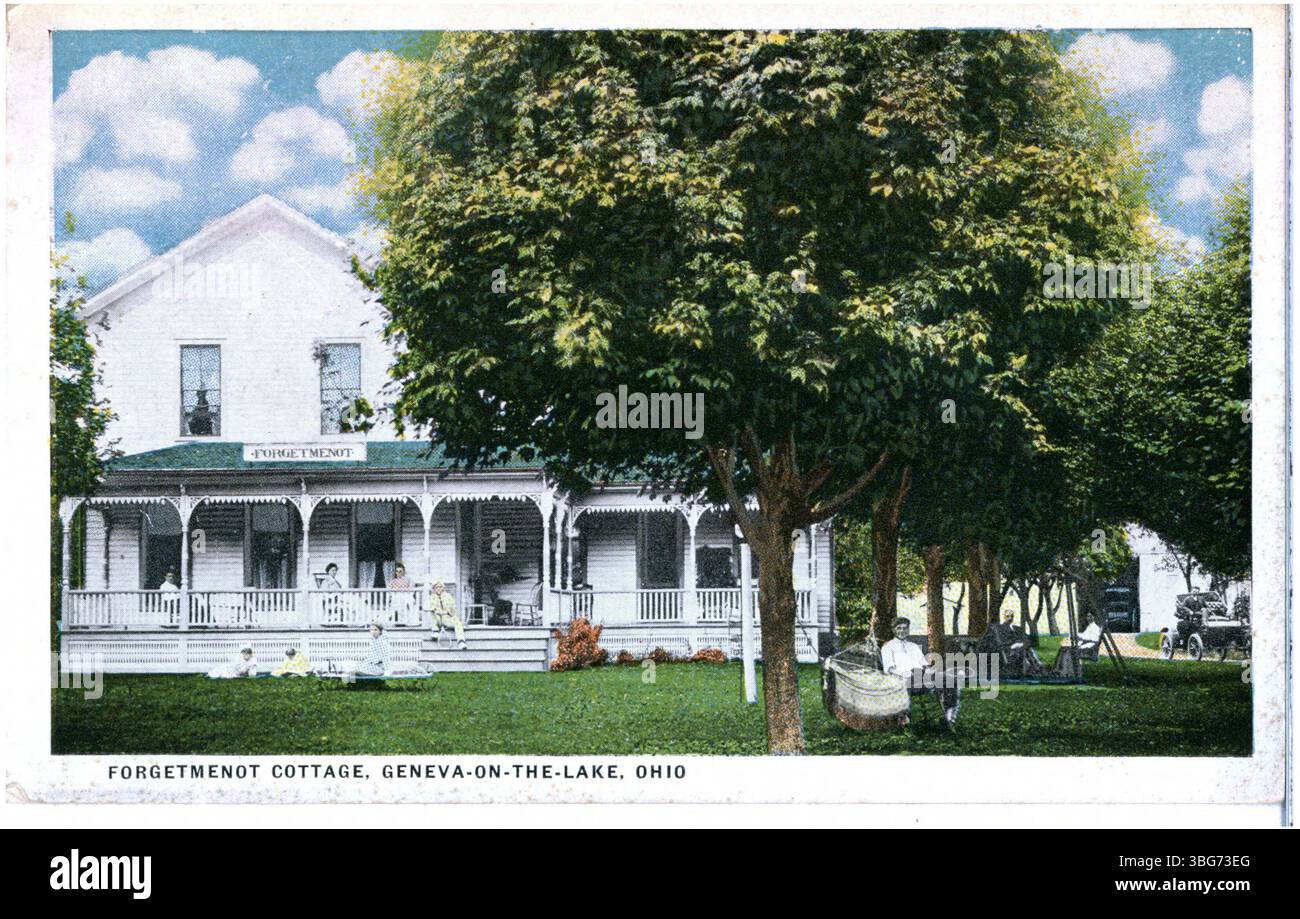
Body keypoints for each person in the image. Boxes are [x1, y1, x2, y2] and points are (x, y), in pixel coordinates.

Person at [881, 618, 961, 728]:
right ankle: (904, 719)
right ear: (893, 630)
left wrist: (929, 669)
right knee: (907, 681)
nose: (902, 631)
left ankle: (949, 717)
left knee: (950, 680)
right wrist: (903, 674)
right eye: (898, 628)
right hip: (902, 678)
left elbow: (924, 664)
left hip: (921, 677)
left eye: (905, 628)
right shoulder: (888, 647)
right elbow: (889, 668)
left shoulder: (913, 646)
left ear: (908, 629)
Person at [427, 579, 467, 650]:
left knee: (457, 622)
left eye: (440, 587)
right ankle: (435, 631)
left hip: (446, 618)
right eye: (437, 587)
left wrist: (447, 608)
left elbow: (453, 610)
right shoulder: (431, 597)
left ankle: (461, 641)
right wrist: (436, 608)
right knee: (432, 613)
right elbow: (429, 607)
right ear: (434, 589)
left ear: (443, 588)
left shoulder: (448, 596)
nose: (438, 589)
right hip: (437, 619)